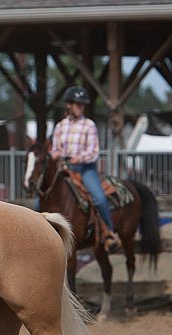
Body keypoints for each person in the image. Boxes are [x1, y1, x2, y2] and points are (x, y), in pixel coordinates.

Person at [51, 85, 121, 252]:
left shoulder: (89, 125)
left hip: (85, 168)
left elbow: (93, 151)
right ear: (69, 105)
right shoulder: (60, 126)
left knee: (99, 197)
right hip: (65, 168)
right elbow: (55, 147)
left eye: (82, 105)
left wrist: (80, 158)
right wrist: (55, 154)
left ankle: (109, 232)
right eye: (78, 104)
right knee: (43, 197)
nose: (81, 107)